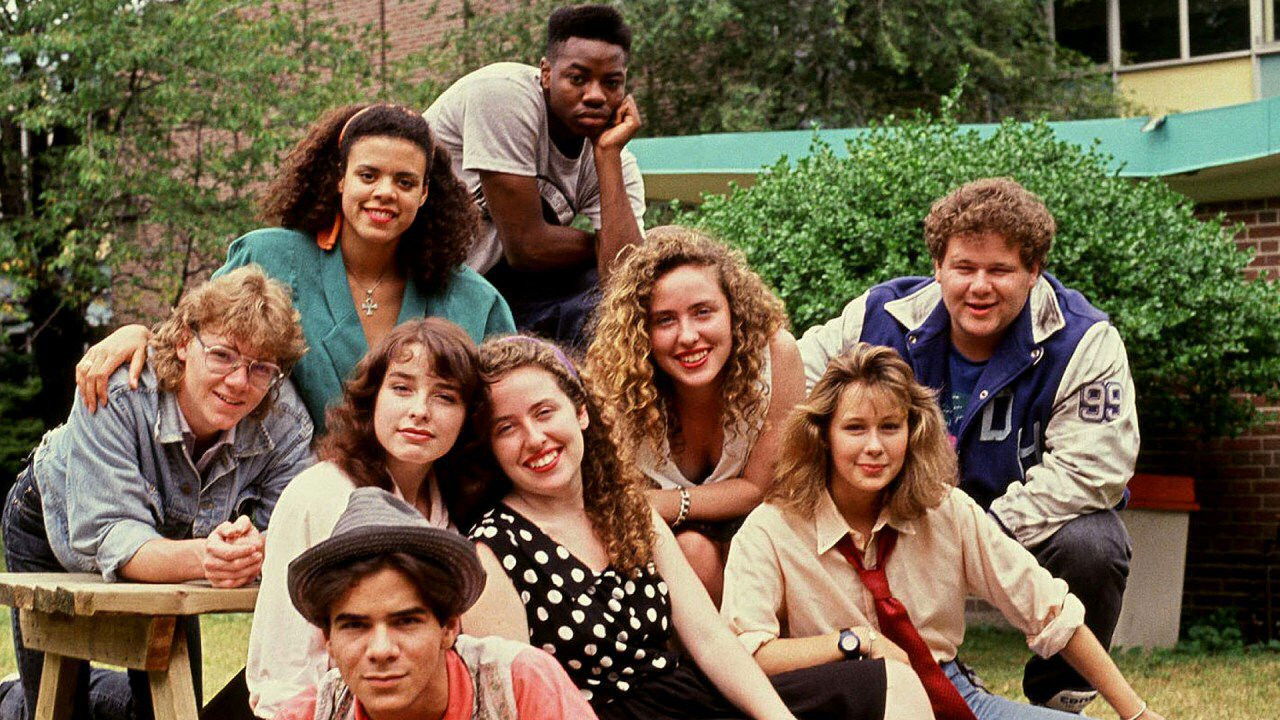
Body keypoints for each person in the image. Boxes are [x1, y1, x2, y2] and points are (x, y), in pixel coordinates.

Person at [796, 178, 1137, 712]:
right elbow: (791, 393)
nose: (980, 286)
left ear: (1033, 270)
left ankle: (1060, 696)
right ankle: (875, 677)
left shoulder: (1084, 341)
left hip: (1017, 523)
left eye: (1000, 270)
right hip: (890, 517)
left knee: (1094, 544)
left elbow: (1094, 470)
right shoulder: (879, 317)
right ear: (938, 267)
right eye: (963, 268)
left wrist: (970, 535)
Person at [462, 337, 930, 720]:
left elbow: (710, 642)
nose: (535, 438)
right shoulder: (492, 550)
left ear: (580, 412)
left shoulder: (629, 511)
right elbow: (515, 705)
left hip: (686, 699)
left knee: (891, 683)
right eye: (507, 428)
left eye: (545, 412)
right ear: (490, 447)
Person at [721, 343, 1164, 720]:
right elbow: (747, 652)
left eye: (890, 427)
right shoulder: (773, 528)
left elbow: (1051, 612)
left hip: (950, 691)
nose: (874, 447)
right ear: (823, 435)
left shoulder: (945, 511)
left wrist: (1138, 714)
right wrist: (857, 643)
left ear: (913, 431)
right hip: (844, 700)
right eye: (855, 428)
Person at [75, 103, 516, 428]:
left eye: (405, 181)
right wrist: (138, 334)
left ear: (424, 194)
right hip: (280, 496)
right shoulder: (267, 257)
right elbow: (194, 349)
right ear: (340, 178)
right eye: (368, 175)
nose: (385, 192)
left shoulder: (474, 301)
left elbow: (509, 411)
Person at [0, 265, 312, 720]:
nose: (239, 381)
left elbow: (288, 530)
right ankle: (11, 698)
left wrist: (252, 547)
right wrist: (208, 557)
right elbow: (114, 536)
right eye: (222, 355)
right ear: (185, 342)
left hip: (173, 540)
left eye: (261, 367)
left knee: (169, 709)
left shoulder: (285, 419)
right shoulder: (116, 391)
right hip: (53, 520)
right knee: (58, 707)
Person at [247, 318, 489, 718]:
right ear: (372, 398)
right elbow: (285, 671)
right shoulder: (320, 494)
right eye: (402, 388)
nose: (420, 411)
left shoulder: (455, 507)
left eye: (445, 397)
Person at [586, 226, 803, 603]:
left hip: (760, 524)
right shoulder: (616, 375)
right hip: (657, 543)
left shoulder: (776, 355)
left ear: (733, 312)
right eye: (665, 320)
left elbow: (761, 489)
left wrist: (666, 503)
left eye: (703, 312)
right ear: (641, 330)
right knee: (693, 551)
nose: (687, 336)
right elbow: (612, 499)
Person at [424, 4, 646, 346]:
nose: (595, 96)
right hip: (417, 282)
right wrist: (601, 243)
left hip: (496, 293)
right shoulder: (502, 95)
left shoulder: (616, 160)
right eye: (578, 79)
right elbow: (526, 247)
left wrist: (607, 154)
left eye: (611, 83)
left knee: (612, 303)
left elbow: (625, 279)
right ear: (546, 74)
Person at [275, 486, 598, 720]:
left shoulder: (519, 684)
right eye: (355, 626)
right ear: (328, 640)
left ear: (450, 626)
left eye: (406, 621)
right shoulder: (312, 713)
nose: (381, 650)